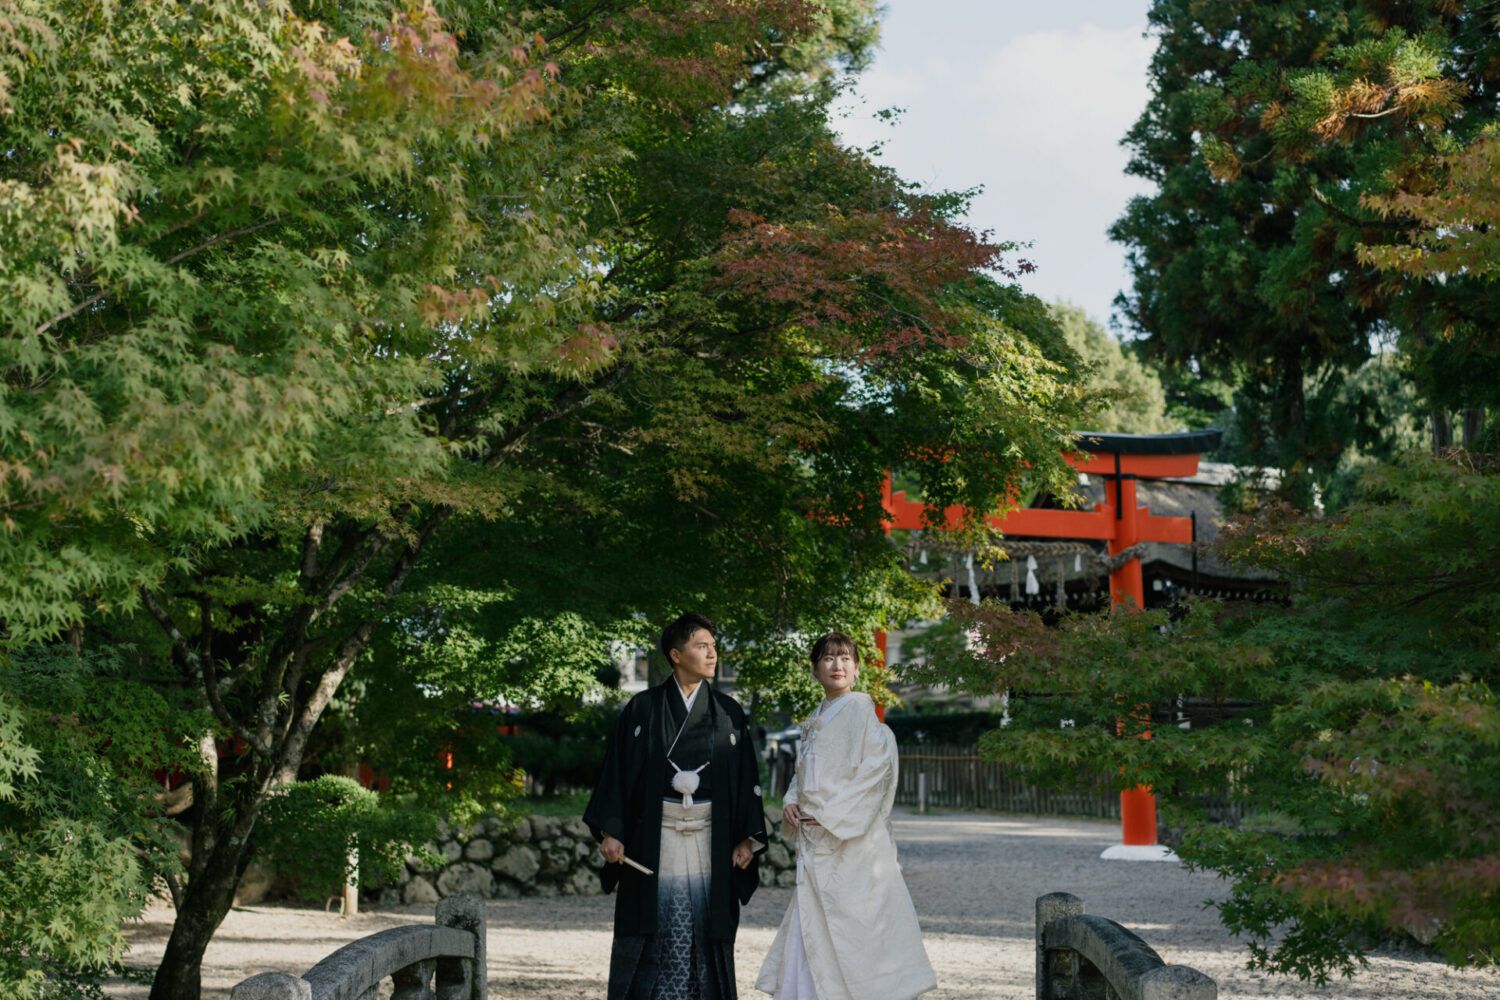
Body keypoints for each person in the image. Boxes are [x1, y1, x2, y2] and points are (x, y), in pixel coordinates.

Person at [585, 612, 769, 999]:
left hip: (711, 840)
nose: (712, 654)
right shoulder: (643, 710)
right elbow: (617, 773)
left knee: (706, 926)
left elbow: (745, 781)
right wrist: (612, 830)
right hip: (654, 838)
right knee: (652, 928)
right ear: (675, 654)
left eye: (714, 647)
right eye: (702, 646)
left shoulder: (728, 713)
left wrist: (745, 839)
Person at [755, 632, 936, 1000]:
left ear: (856, 669)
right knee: (816, 922)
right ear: (815, 669)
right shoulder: (816, 718)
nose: (837, 665)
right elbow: (803, 775)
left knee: (856, 925)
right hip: (817, 836)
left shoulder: (860, 713)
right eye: (828, 658)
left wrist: (831, 814)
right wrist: (792, 800)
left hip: (850, 843)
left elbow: (874, 773)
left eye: (845, 659)